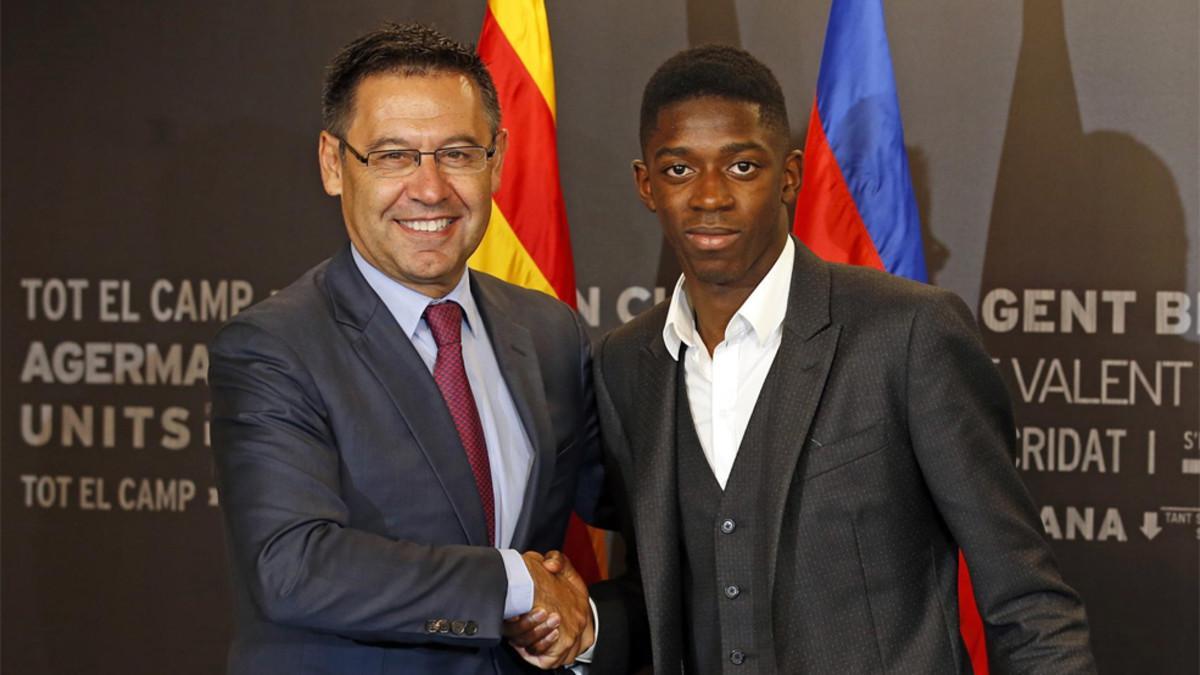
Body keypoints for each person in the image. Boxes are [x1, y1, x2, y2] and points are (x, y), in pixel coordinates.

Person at [587, 45, 1097, 673]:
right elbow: (666, 596)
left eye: (743, 167)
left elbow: (1026, 599)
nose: (710, 197)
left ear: (790, 176)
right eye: (679, 170)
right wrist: (573, 620)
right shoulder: (622, 365)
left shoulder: (908, 332)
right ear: (646, 184)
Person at [209, 23, 600, 674]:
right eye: (394, 155)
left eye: (457, 153)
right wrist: (518, 582)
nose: (430, 188)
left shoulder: (549, 330)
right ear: (335, 165)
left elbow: (639, 508)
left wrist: (590, 622)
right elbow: (293, 566)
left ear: (496, 159)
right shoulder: (273, 347)